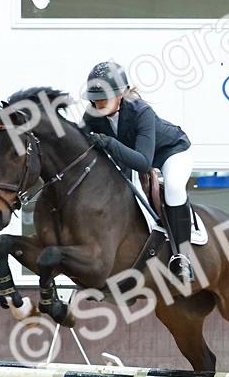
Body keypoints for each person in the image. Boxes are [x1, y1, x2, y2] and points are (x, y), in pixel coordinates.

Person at [81, 60, 195, 284]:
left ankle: (182, 258)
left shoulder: (141, 111)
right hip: (130, 155)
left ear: (121, 94)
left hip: (170, 153)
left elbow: (143, 163)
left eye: (104, 98)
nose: (98, 103)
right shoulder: (93, 113)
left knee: (172, 188)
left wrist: (108, 142)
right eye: (94, 99)